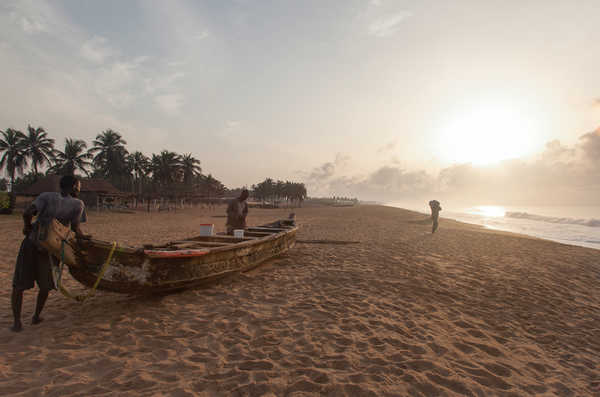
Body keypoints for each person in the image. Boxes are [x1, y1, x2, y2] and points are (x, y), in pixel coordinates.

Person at [10, 175, 89, 332]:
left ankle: (17, 323)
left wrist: (27, 227)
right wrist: (84, 239)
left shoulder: (46, 196)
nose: (80, 189)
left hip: (32, 243)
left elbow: (28, 213)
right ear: (74, 186)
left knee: (19, 284)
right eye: (79, 186)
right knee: (46, 285)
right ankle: (36, 316)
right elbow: (75, 229)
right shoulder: (78, 204)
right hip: (52, 248)